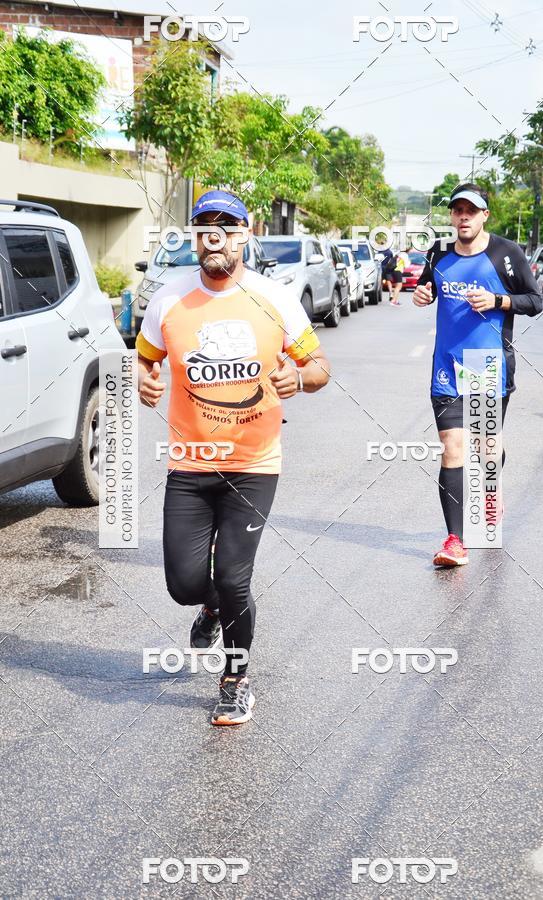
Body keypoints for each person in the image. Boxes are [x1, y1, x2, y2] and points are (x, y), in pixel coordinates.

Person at [136, 190, 330, 724]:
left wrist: (300, 377)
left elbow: (319, 368)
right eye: (204, 225)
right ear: (194, 237)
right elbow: (146, 355)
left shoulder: (276, 298)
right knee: (183, 583)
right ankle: (210, 607)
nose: (214, 234)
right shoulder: (168, 299)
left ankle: (236, 679)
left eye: (227, 224)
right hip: (190, 464)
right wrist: (143, 379)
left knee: (235, 576)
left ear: (246, 234)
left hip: (254, 465)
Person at [413, 183, 542, 567]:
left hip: (486, 366)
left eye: (472, 210)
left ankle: (491, 488)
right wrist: (422, 295)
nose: (464, 216)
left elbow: (536, 301)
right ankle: (455, 539)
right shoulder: (438, 253)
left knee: (486, 451)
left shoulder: (506, 253)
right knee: (454, 448)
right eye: (458, 210)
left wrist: (498, 301)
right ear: (451, 216)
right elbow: (426, 288)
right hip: (447, 368)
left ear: (485, 214)